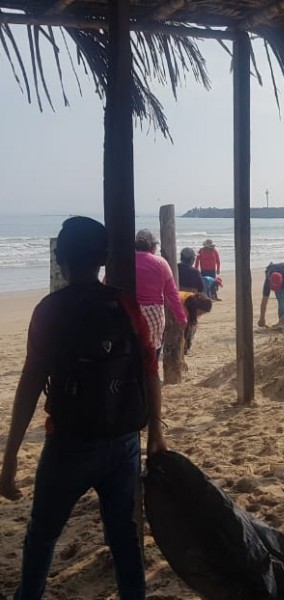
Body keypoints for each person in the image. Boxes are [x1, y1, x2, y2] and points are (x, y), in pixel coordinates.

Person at [0, 216, 167, 600]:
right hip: (123, 439)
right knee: (124, 536)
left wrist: (9, 458)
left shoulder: (49, 310)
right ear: (103, 259)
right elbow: (149, 369)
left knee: (42, 535)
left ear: (61, 259)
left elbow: (29, 384)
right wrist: (156, 431)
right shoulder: (124, 304)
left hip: (70, 445)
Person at [134, 229, 188, 355]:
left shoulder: (124, 262)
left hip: (130, 313)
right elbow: (172, 293)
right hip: (154, 316)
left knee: (132, 352)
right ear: (153, 246)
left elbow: (106, 283)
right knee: (152, 353)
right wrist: (181, 317)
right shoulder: (160, 263)